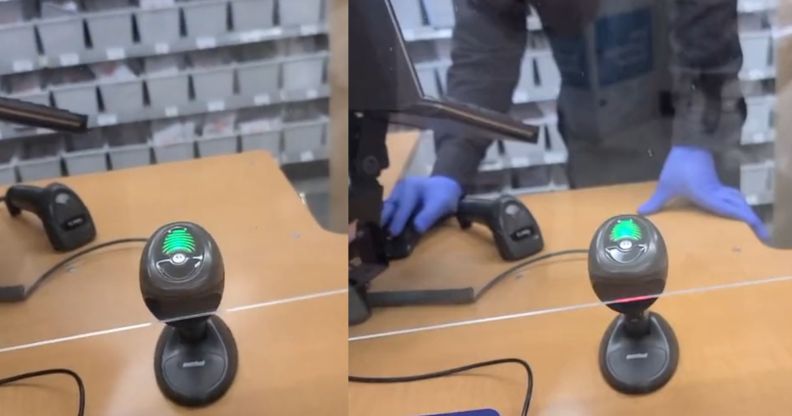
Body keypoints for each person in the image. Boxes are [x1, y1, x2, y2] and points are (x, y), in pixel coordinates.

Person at [382, 0, 770, 242]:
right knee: (619, 267)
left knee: (707, 278)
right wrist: (450, 166)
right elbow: (486, 43)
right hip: (596, 136)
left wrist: (698, 136)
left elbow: (706, 15)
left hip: (687, 127)